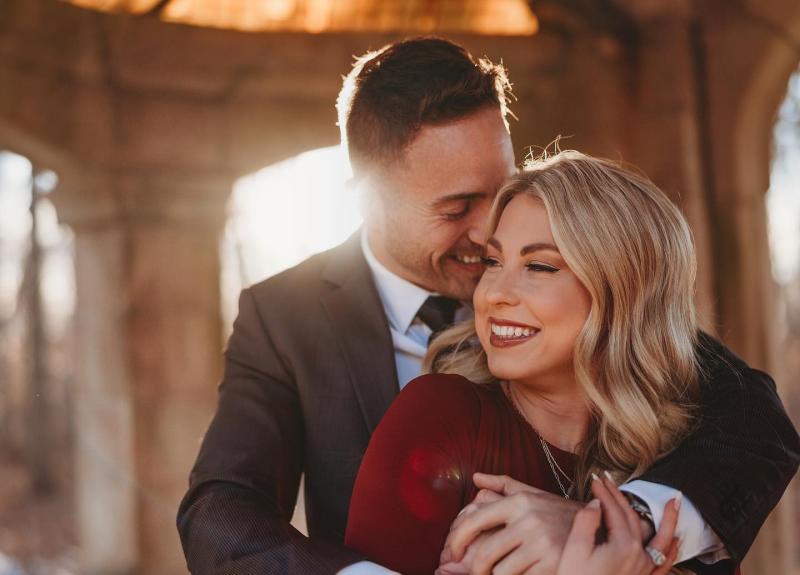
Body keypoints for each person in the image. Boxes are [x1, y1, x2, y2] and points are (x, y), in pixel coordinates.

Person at [176, 38, 800, 574]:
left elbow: (753, 417)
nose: (486, 233)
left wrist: (621, 525)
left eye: (498, 191)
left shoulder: (570, 290)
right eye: (455, 208)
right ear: (367, 200)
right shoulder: (285, 315)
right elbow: (220, 508)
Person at [343, 151, 754, 574]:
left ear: (622, 292)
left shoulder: (690, 455)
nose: (493, 293)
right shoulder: (440, 415)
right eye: (493, 262)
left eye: (538, 266)